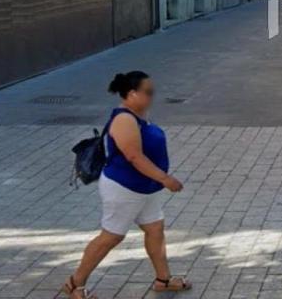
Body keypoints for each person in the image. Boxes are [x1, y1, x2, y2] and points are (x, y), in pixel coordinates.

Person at [64, 71, 191, 298]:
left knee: (155, 229)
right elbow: (134, 156)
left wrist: (158, 180)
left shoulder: (140, 116)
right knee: (111, 236)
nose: (152, 96)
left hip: (146, 188)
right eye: (148, 92)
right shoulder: (124, 119)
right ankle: (75, 284)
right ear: (132, 94)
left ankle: (163, 280)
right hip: (124, 188)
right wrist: (165, 179)